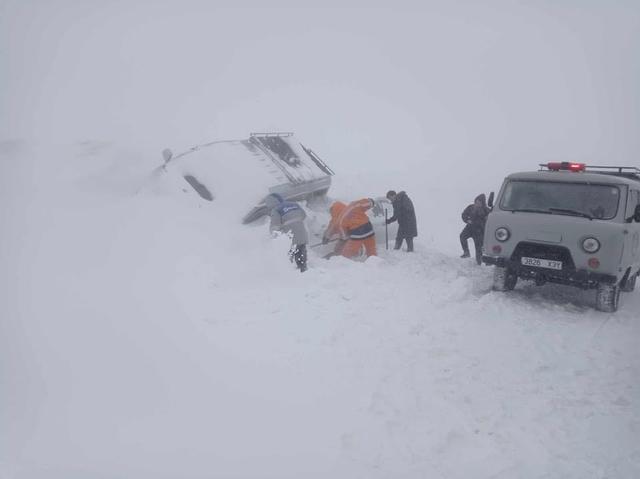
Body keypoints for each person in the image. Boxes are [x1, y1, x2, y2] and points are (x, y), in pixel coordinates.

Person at [264, 193, 308, 272]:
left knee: (289, 263)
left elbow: (274, 228)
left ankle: (293, 278)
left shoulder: (276, 210)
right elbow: (304, 215)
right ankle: (305, 272)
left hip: (290, 240)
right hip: (302, 236)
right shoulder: (294, 204)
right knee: (301, 260)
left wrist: (270, 239)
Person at [460, 194, 491, 265]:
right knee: (462, 237)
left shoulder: (486, 210)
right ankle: (466, 252)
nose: (477, 204)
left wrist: (485, 220)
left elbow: (490, 220)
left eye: (479, 202)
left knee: (478, 248)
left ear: (482, 203)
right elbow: (463, 215)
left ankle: (479, 262)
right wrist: (467, 220)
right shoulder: (470, 207)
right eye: (476, 202)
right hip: (469, 228)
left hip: (479, 231)